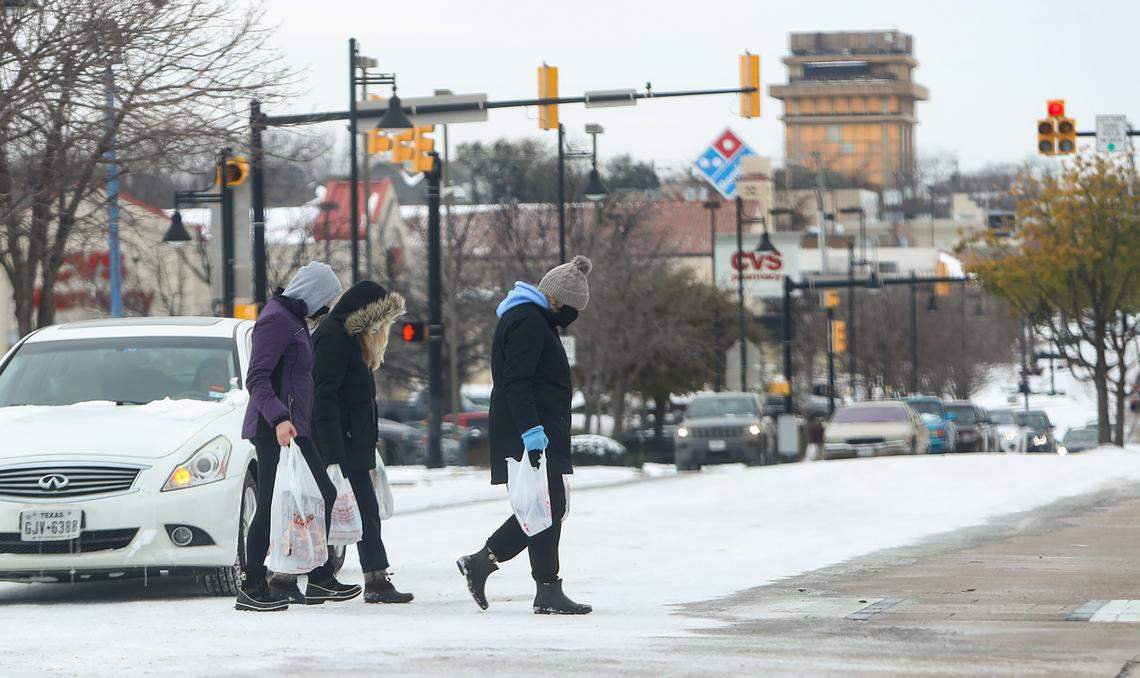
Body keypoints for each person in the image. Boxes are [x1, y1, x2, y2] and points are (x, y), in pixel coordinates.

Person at [457, 255, 594, 615]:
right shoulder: (530, 322)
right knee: (548, 508)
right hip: (531, 433)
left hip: (535, 430)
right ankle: (483, 562)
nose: (572, 318)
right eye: (572, 309)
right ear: (559, 300)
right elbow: (517, 382)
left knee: (544, 508)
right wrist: (531, 431)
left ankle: (546, 589)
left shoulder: (528, 318)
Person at [236, 261, 362, 612]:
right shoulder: (276, 320)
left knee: (322, 492)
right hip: (274, 428)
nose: (327, 307)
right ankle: (252, 584)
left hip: (294, 427)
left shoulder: (294, 320)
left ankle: (315, 576)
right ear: (312, 292)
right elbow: (257, 378)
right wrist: (278, 418)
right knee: (271, 507)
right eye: (326, 298)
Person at [311, 280, 414, 604]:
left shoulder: (347, 338)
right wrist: (333, 453)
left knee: (356, 511)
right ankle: (361, 579)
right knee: (354, 510)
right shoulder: (335, 338)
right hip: (341, 443)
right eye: (380, 319)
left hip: (352, 442)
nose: (382, 328)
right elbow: (323, 395)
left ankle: (367, 578)